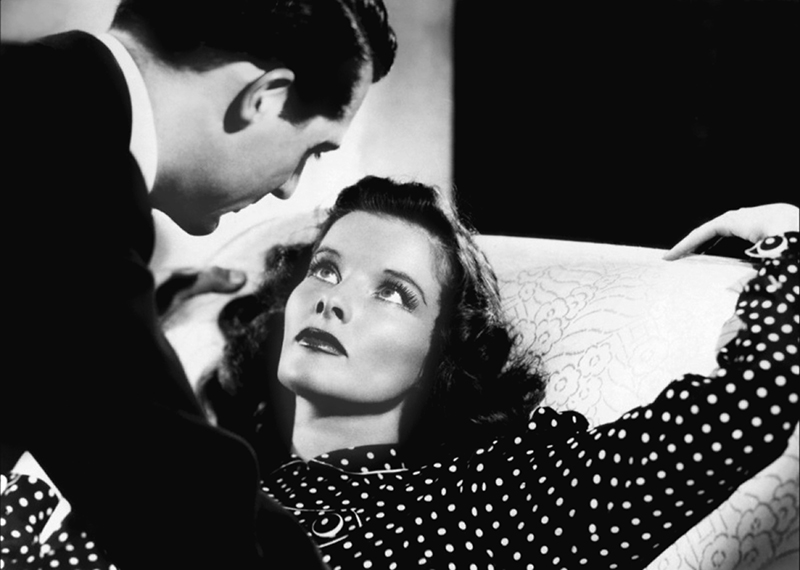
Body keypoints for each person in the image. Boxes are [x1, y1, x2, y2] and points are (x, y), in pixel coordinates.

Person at [9, 176, 784, 569]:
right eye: (325, 269)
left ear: (442, 359)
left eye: (393, 292)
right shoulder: (197, 459)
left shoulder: (481, 503)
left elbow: (748, 408)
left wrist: (788, 242)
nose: (333, 299)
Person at [0, 2, 396, 569]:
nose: (289, 188)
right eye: (311, 150)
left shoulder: (39, 92)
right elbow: (159, 473)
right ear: (267, 97)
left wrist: (132, 306)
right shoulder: (66, 157)